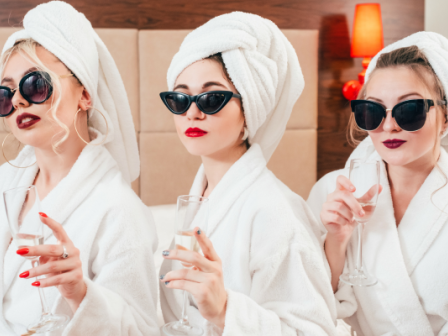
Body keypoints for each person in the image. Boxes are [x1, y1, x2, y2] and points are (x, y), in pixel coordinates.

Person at [159, 11, 337, 335]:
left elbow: (315, 330)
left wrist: (227, 312)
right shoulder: (198, 199)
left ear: (248, 110)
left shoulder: (276, 212)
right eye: (180, 98)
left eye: (212, 98)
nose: (193, 113)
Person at [0, 2, 159, 335]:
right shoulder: (6, 182)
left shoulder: (119, 211)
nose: (18, 101)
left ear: (84, 95)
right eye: (5, 93)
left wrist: (82, 294)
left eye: (36, 85)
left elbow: (143, 330)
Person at [307, 32, 448, 335]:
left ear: (445, 117)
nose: (388, 126)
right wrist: (336, 240)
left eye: (410, 110)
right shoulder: (331, 193)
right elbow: (308, 307)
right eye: (372, 111)